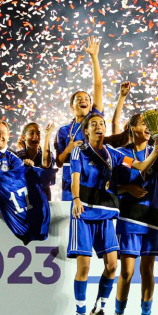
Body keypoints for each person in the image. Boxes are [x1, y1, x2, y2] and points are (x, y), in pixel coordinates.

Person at [69, 113, 158, 315]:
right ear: (86, 130)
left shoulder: (112, 153)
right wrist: (76, 199)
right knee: (89, 267)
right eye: (94, 124)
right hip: (89, 211)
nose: (99, 127)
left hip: (111, 214)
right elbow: (76, 177)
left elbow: (147, 168)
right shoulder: (82, 150)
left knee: (114, 266)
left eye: (102, 124)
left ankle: (101, 310)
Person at [111, 114, 158, 315]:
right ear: (132, 128)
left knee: (148, 270)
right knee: (127, 271)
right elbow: (109, 186)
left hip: (152, 215)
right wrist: (128, 188)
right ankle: (118, 314)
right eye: (143, 123)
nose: (147, 127)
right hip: (129, 216)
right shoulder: (122, 154)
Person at [55, 36, 104, 202]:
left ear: (91, 106)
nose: (83, 101)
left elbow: (98, 86)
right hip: (70, 181)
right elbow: (59, 162)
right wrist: (67, 150)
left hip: (92, 177)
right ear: (72, 106)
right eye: (79, 99)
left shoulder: (94, 122)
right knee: (71, 214)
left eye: (87, 99)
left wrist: (94, 57)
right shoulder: (63, 131)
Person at [15, 122, 56, 200]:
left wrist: (47, 135)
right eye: (32, 133)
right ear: (23, 137)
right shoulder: (18, 157)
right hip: (24, 199)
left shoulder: (47, 155)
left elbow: (46, 164)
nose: (36, 136)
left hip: (43, 199)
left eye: (38, 133)